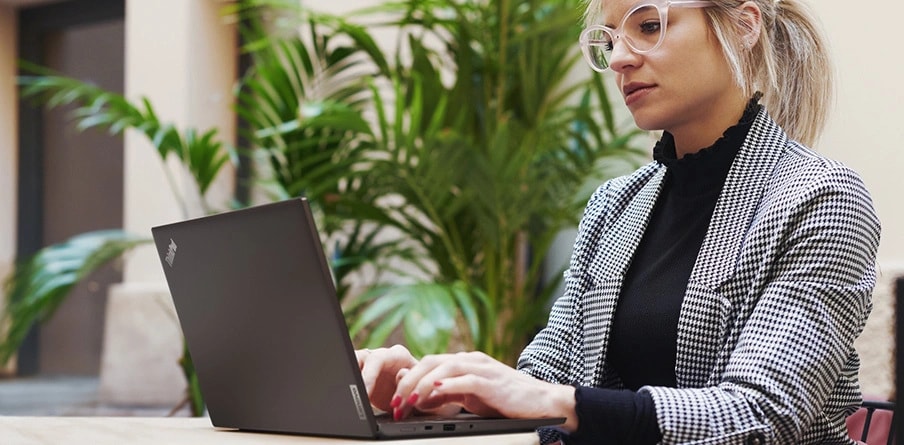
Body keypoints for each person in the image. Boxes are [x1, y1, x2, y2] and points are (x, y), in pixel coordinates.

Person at [355, 0, 881, 443]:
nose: (621, 59)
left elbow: (762, 415)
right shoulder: (614, 205)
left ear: (743, 26)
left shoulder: (819, 197)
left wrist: (555, 402)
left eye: (648, 26)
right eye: (609, 40)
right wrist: (435, 399)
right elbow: (543, 381)